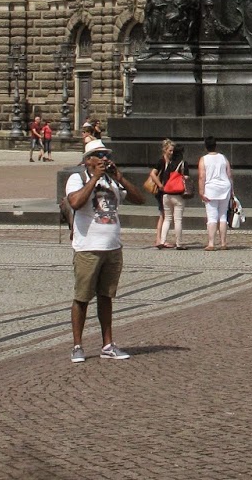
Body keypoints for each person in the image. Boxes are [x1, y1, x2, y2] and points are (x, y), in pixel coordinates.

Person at [65, 141, 144, 362]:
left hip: (112, 247)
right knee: (82, 297)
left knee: (106, 296)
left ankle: (107, 344)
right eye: (98, 155)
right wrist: (94, 179)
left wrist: (120, 177)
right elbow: (76, 202)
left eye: (106, 155)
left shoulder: (112, 180)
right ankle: (77, 345)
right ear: (88, 159)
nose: (103, 158)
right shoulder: (77, 178)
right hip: (88, 247)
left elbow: (140, 199)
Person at [149, 138, 189, 250]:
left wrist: (163, 186)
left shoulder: (169, 163)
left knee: (167, 218)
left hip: (166, 194)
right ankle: (179, 243)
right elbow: (186, 178)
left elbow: (165, 178)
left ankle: (162, 240)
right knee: (178, 220)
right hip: (177, 194)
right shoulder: (183, 163)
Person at [197, 137, 235, 251]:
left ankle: (211, 243)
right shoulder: (223, 158)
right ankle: (223, 243)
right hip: (225, 188)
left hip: (211, 189)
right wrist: (232, 190)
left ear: (206, 146)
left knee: (212, 217)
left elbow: (202, 176)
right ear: (216, 145)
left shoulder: (203, 159)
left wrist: (201, 191)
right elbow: (229, 174)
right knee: (223, 216)